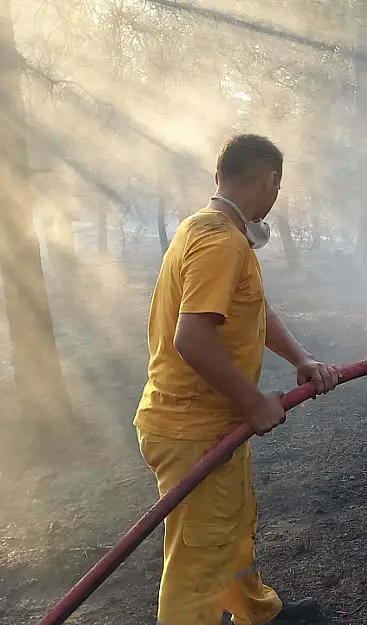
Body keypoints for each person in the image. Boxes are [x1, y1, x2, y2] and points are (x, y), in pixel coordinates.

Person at [133, 134, 339, 625]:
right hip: (192, 428)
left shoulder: (209, 231)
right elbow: (193, 338)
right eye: (277, 186)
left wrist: (301, 358)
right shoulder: (220, 241)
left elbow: (252, 308)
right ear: (269, 180)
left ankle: (257, 615)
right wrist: (253, 402)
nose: (275, 197)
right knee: (198, 561)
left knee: (231, 526)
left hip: (210, 421)